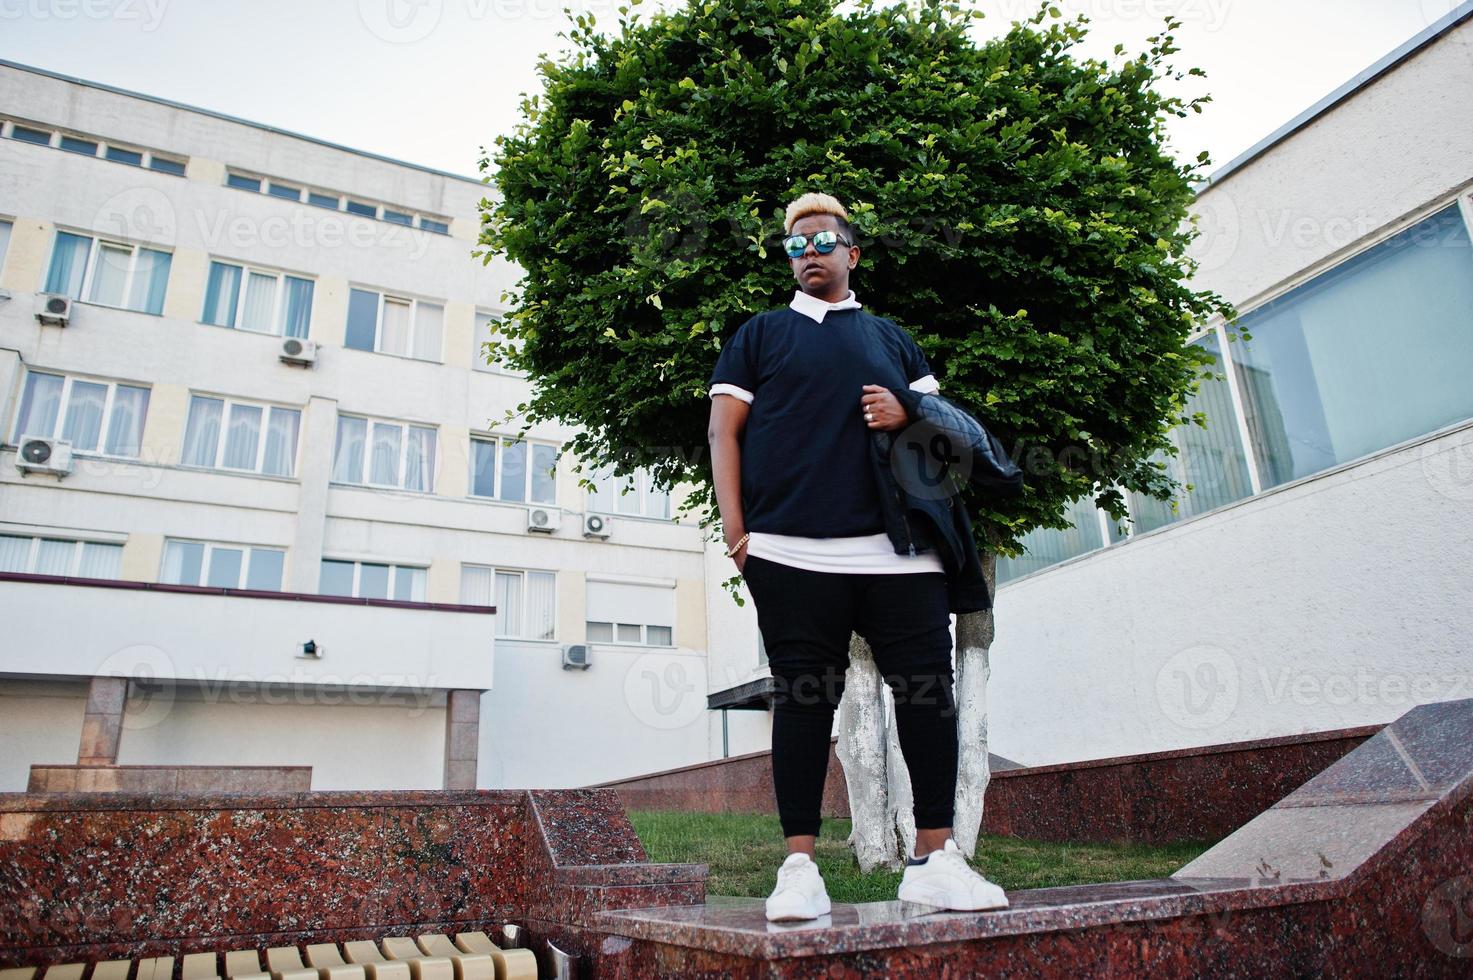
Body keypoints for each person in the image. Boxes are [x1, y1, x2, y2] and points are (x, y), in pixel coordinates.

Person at [706, 192, 1009, 921]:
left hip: (900, 551)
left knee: (928, 697)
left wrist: (908, 411)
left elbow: (942, 443)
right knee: (805, 703)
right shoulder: (759, 335)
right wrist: (738, 535)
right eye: (793, 245)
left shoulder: (892, 340)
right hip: (788, 550)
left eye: (821, 240)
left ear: (851, 252)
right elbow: (724, 434)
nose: (806, 252)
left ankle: (935, 860)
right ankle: (799, 870)